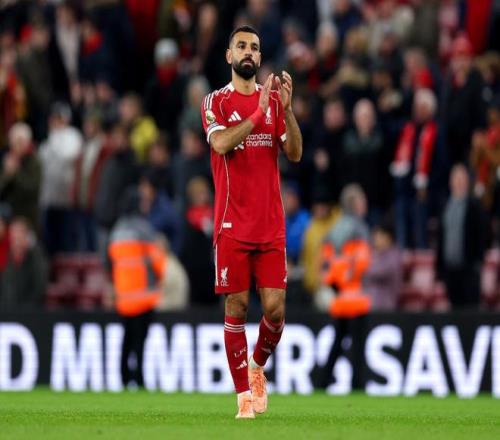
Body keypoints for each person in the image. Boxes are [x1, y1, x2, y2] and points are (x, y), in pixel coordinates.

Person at [200, 25, 302, 419]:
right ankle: (244, 396)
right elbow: (221, 143)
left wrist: (287, 111)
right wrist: (258, 113)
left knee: (274, 310)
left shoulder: (275, 100)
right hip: (232, 225)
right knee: (238, 305)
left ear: (259, 57)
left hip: (270, 225)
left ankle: (257, 366)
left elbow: (295, 153)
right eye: (241, 46)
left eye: (254, 48)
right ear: (229, 55)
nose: (248, 52)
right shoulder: (215, 101)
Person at [108, 191, 167, 389]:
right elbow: (158, 261)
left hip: (123, 298)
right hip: (143, 298)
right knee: (140, 342)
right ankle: (139, 380)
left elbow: (109, 262)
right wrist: (160, 277)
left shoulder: (116, 230)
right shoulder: (144, 229)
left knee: (126, 341)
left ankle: (124, 378)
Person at [436, 164, 487, 309]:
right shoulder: (445, 205)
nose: (458, 182)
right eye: (456, 178)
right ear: (450, 181)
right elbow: (441, 239)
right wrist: (440, 268)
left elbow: (483, 235)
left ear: (467, 181)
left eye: (461, 178)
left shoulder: (474, 206)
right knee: (454, 310)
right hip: (450, 270)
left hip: (469, 269)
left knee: (471, 311)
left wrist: (478, 261)